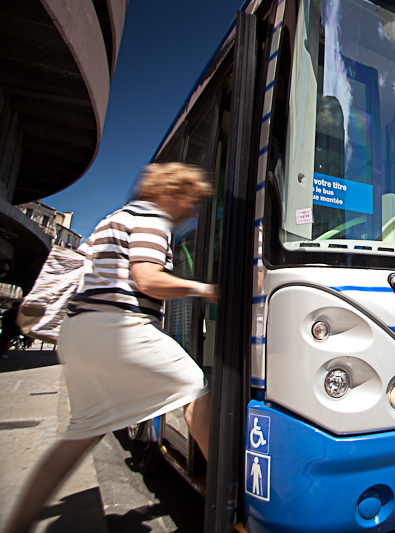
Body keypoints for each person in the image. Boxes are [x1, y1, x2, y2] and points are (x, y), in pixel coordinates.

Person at [3, 163, 218, 533]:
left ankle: (16, 523)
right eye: (189, 200)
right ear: (171, 192)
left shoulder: (115, 217)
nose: (190, 211)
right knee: (194, 387)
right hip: (119, 327)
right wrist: (205, 289)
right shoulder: (153, 217)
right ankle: (230, 490)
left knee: (83, 430)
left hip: (80, 332)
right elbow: (147, 279)